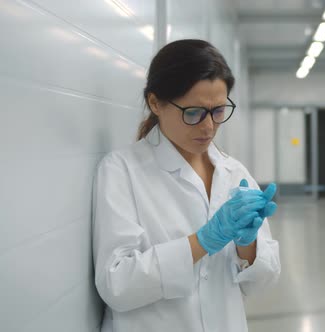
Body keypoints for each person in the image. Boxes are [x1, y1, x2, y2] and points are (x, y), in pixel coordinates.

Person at [92, 39, 280, 332]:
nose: (209, 127)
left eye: (218, 111)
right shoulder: (122, 170)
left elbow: (261, 283)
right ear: (156, 103)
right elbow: (117, 284)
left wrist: (248, 246)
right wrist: (202, 241)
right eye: (193, 113)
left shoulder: (233, 173)